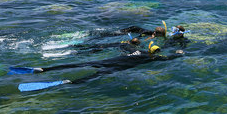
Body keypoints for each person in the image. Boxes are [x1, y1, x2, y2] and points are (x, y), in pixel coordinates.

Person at [11, 44, 184, 91]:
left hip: (108, 60)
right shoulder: (152, 59)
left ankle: (43, 69)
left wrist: (129, 42)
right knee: (95, 76)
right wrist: (179, 53)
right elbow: (168, 58)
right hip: (115, 68)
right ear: (155, 53)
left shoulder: (138, 50)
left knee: (77, 64)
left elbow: (124, 47)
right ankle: (67, 82)